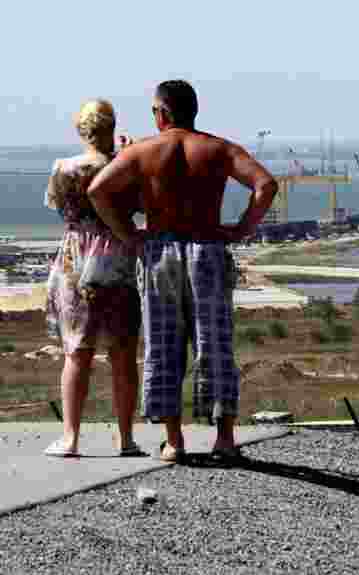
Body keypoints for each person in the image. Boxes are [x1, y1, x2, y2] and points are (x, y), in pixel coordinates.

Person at [87, 80, 278, 463]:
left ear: (163, 113)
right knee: (214, 343)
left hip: (159, 251)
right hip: (207, 247)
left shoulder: (144, 151)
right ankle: (224, 439)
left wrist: (129, 236)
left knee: (163, 344)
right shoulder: (218, 149)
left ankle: (174, 442)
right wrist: (242, 228)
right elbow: (265, 185)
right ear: (194, 110)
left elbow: (98, 191)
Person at [43, 99, 144, 457]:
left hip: (76, 257)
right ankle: (127, 438)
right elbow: (142, 205)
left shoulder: (64, 168)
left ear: (80, 129)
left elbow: (59, 206)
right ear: (113, 127)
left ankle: (70, 437)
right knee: (123, 350)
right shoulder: (127, 166)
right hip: (118, 256)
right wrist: (126, 157)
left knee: (77, 350)